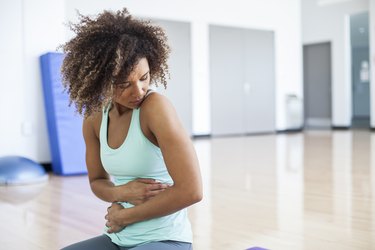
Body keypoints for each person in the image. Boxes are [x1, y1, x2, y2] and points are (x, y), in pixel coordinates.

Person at [60, 8, 203, 250]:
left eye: (144, 77)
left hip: (165, 238)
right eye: (123, 84)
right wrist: (121, 193)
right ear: (102, 81)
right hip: (118, 238)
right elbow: (97, 181)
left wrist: (123, 216)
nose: (138, 91)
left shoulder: (155, 108)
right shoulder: (95, 118)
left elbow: (192, 191)